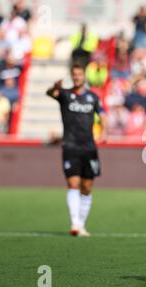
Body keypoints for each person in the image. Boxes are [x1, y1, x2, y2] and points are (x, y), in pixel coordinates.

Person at [46, 64, 107, 237]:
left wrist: (104, 131)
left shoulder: (93, 97)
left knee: (87, 187)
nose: (77, 77)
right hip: (70, 146)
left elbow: (102, 114)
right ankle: (75, 224)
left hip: (89, 147)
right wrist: (55, 87)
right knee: (73, 184)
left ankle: (81, 224)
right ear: (72, 76)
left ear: (84, 76)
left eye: (80, 74)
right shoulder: (65, 94)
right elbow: (50, 93)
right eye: (75, 74)